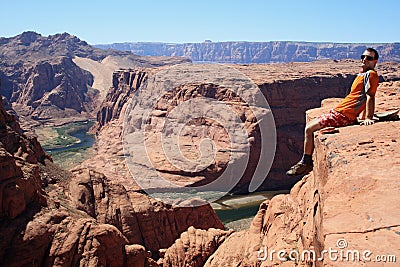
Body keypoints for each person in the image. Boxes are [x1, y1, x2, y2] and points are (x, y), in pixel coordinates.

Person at [286, 48, 379, 176]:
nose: (364, 59)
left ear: (375, 61)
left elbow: (370, 96)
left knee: (308, 129)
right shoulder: (361, 74)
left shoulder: (371, 75)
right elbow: (360, 98)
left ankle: (305, 163)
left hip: (343, 115)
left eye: (369, 58)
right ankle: (305, 161)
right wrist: (361, 117)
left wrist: (368, 117)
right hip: (339, 112)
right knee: (310, 125)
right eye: (363, 56)